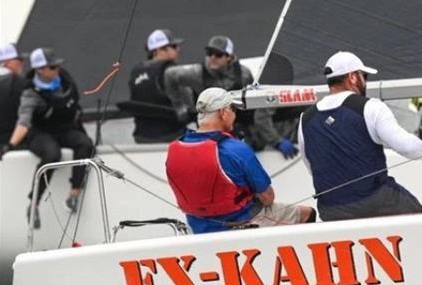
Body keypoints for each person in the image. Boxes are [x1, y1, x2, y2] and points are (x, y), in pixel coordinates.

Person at [298, 51, 422, 221]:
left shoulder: (305, 118)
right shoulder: (371, 107)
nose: (365, 82)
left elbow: (311, 165)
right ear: (352, 77)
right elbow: (406, 146)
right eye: (364, 76)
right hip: (377, 202)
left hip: (331, 210)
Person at [165, 87, 315, 234]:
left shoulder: (174, 149)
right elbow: (268, 197)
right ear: (223, 113)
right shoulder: (235, 149)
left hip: (198, 227)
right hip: (242, 223)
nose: (235, 116)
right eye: (234, 110)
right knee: (307, 213)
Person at [3, 47, 95, 228]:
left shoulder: (63, 81)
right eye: (52, 67)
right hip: (39, 133)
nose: (57, 70)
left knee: (85, 144)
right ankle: (34, 204)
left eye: (57, 66)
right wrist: (10, 145)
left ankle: (73, 195)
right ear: (40, 70)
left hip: (63, 129)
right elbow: (23, 122)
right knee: (52, 154)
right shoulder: (30, 93)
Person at [164, 35, 297, 157]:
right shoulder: (197, 73)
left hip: (235, 124)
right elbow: (170, 75)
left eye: (218, 54)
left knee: (245, 150)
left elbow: (253, 106)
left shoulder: (244, 74)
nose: (212, 58)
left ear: (229, 57)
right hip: (208, 126)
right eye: (209, 53)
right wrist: (180, 106)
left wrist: (273, 139)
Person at [127, 29, 190, 143]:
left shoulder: (136, 71)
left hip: (141, 137)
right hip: (172, 136)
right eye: (174, 46)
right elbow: (189, 104)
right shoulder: (172, 71)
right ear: (159, 50)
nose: (178, 49)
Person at [0, 43, 28, 147]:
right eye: (19, 60)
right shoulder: (18, 82)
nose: (22, 63)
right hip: (15, 143)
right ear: (7, 62)